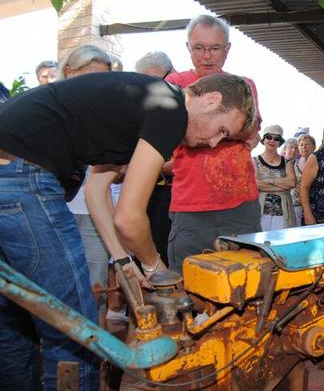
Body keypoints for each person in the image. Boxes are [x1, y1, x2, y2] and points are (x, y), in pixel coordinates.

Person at [0, 71, 255, 390]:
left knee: (12, 322)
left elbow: (96, 190)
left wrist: (122, 262)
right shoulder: (171, 108)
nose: (215, 142)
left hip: (9, 171)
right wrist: (157, 269)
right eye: (221, 130)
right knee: (77, 331)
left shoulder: (142, 100)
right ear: (211, 99)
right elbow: (129, 217)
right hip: (23, 176)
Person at [164, 14, 262, 273]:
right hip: (190, 207)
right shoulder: (174, 84)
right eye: (199, 48)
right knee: (187, 285)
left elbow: (251, 127)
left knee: (249, 283)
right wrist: (234, 128)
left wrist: (199, 127)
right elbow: (180, 131)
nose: (207, 56)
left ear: (227, 49)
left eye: (215, 48)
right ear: (188, 47)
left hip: (241, 206)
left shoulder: (244, 84)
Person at [58, 45, 113, 318]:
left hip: (95, 215)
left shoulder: (109, 115)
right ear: (69, 72)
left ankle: (98, 354)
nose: (95, 85)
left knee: (97, 286)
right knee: (58, 286)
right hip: (56, 213)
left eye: (102, 78)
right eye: (88, 75)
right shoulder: (49, 109)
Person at [134, 51, 177, 265]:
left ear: (173, 75)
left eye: (158, 82)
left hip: (179, 197)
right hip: (147, 195)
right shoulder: (138, 110)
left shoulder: (187, 107)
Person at [253, 125, 296, 231]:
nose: (272, 140)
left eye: (276, 138)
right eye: (269, 137)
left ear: (280, 142)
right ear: (263, 139)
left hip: (284, 213)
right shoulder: (254, 160)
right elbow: (255, 184)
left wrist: (269, 181)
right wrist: (282, 186)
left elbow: (291, 183)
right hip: (261, 213)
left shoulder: (287, 162)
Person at [292, 134, 316, 225]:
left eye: (307, 144)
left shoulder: (318, 163)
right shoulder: (292, 164)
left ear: (314, 147)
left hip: (312, 206)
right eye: (301, 145)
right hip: (296, 205)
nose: (304, 147)